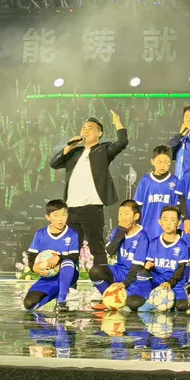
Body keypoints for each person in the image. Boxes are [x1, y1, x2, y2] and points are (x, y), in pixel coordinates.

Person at [48, 110, 128, 269]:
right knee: (70, 249)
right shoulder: (74, 152)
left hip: (92, 207)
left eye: (90, 128)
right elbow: (54, 163)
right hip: (71, 208)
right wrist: (69, 147)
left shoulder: (103, 150)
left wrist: (117, 122)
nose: (85, 130)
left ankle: (102, 279)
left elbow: (122, 142)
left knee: (97, 248)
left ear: (99, 133)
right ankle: (69, 280)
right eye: (83, 128)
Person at [90, 200, 151, 311]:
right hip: (119, 271)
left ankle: (135, 298)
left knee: (133, 303)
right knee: (95, 271)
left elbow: (136, 267)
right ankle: (108, 299)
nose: (122, 217)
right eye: (120, 214)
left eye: (126, 214)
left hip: (134, 277)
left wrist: (124, 284)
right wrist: (121, 231)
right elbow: (110, 251)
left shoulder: (142, 237)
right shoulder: (118, 231)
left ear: (136, 216)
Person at [22, 199, 81, 312]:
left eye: (64, 214)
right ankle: (57, 293)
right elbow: (32, 256)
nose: (60, 219)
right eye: (56, 215)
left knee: (67, 262)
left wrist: (58, 258)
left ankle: (61, 300)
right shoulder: (40, 234)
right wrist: (34, 267)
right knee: (29, 304)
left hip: (69, 274)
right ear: (48, 217)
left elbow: (74, 256)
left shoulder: (72, 234)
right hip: (49, 278)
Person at [148, 206, 190, 313]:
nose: (168, 223)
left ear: (178, 223)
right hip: (158, 280)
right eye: (165, 219)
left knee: (182, 306)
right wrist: (147, 266)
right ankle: (147, 300)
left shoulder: (182, 245)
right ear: (160, 222)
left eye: (172, 220)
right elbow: (149, 266)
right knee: (141, 273)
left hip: (175, 282)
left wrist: (170, 283)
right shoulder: (154, 243)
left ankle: (184, 292)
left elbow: (180, 269)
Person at [135, 146, 178, 240]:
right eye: (159, 162)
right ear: (152, 161)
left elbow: (177, 207)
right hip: (146, 230)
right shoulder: (145, 181)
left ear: (170, 162)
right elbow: (138, 206)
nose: (163, 165)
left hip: (167, 231)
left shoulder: (175, 181)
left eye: (166, 162)